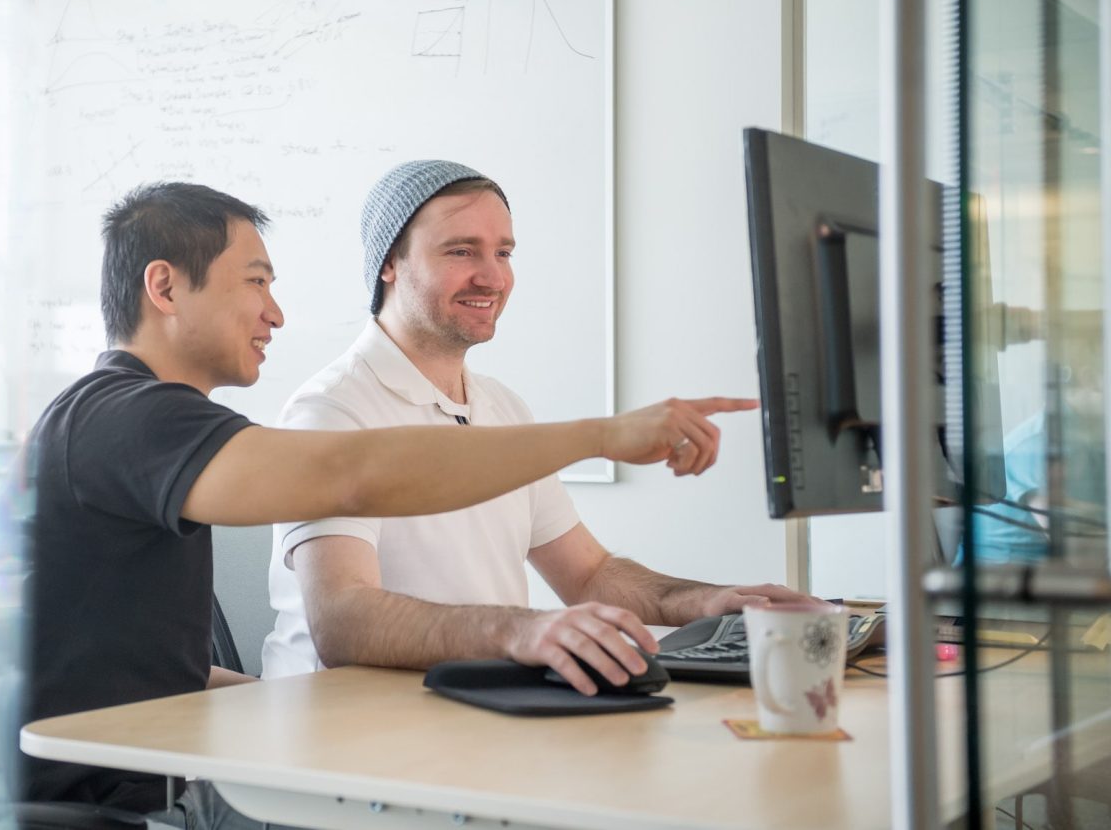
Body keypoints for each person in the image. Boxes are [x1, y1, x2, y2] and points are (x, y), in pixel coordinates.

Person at [9, 181, 756, 826]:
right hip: (98, 804)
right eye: (255, 282)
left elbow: (142, 668)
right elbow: (350, 475)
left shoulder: (143, 427)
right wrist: (602, 435)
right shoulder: (128, 417)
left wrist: (711, 604)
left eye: (505, 251)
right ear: (166, 288)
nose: (276, 314)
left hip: (149, 779)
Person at [260, 160, 807, 691]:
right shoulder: (330, 412)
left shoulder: (502, 407)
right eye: (461, 251)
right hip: (340, 741)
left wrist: (708, 602)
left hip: (467, 718)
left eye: (503, 252)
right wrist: (523, 629)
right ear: (390, 263)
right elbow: (343, 621)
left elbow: (589, 575)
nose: (493, 276)